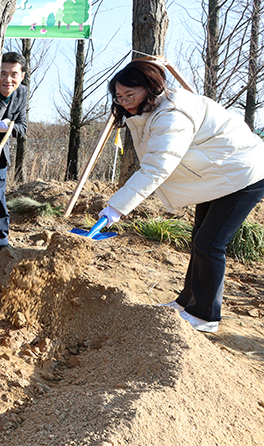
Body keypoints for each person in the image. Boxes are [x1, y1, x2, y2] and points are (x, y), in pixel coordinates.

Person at [99, 59, 264, 333]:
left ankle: (204, 316)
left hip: (245, 173)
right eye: (119, 96)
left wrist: (117, 207)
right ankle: (186, 302)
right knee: (200, 238)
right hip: (218, 173)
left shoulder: (172, 114)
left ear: (151, 88)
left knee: (210, 242)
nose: (125, 102)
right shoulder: (153, 110)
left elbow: (157, 166)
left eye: (131, 95)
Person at [0, 51, 29, 251]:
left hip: (0, 155)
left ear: (22, 75)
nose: (8, 79)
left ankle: (0, 244)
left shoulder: (21, 92)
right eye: (3, 73)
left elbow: (22, 128)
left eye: (14, 74)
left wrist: (9, 126)